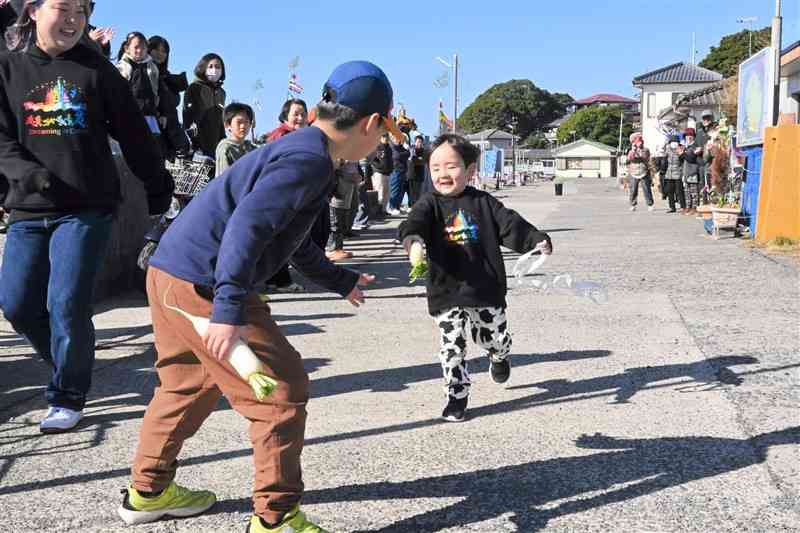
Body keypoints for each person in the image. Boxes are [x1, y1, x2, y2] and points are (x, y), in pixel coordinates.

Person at [117, 60, 403, 533]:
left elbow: (286, 234)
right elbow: (246, 229)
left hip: (171, 272)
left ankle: (148, 491)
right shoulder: (310, 160)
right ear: (371, 124)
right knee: (280, 394)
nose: (380, 142)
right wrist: (228, 311)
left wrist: (336, 278)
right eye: (383, 131)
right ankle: (276, 519)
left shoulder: (304, 149)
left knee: (185, 386)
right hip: (206, 285)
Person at [0, 0, 173, 433]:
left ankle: (67, 394)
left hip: (87, 207)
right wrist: (28, 175)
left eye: (82, 10)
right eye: (64, 7)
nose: (74, 19)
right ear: (34, 11)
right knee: (17, 305)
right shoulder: (7, 68)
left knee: (67, 302)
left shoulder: (96, 70)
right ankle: (67, 360)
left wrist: (156, 184)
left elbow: (133, 131)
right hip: (27, 207)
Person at [398, 133, 552, 422]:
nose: (443, 174)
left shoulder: (484, 203)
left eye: (451, 167)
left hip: (484, 287)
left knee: (493, 338)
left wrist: (535, 239)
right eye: (436, 168)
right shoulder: (428, 203)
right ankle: (456, 395)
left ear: (470, 171)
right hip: (445, 288)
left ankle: (499, 355)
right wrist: (413, 240)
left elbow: (511, 225)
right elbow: (413, 223)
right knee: (451, 345)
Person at [262, 98, 309, 293]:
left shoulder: (299, 135)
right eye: (295, 114)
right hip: (280, 194)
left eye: (303, 114)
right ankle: (281, 280)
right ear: (285, 116)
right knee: (282, 237)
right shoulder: (281, 135)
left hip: (293, 193)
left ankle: (275, 278)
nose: (300, 118)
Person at [148, 35, 190, 160]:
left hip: (170, 130)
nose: (160, 54)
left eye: (164, 51)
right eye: (157, 50)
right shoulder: (145, 72)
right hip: (154, 128)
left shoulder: (167, 76)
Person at [116, 32, 162, 141]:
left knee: (149, 144)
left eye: (143, 48)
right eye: (136, 47)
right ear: (127, 48)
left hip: (149, 113)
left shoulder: (152, 67)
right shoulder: (123, 66)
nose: (139, 51)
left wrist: (158, 109)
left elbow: (157, 89)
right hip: (129, 114)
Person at [183, 53, 226, 158]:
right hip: (198, 145)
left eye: (218, 67)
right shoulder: (194, 88)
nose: (214, 70)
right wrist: (193, 142)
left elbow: (221, 121)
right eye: (210, 66)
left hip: (215, 145)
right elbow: (188, 118)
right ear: (203, 68)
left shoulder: (221, 92)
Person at [326, 159, 361, 261]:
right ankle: (333, 249)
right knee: (335, 220)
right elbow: (334, 166)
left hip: (347, 184)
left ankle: (338, 248)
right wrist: (342, 162)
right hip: (339, 185)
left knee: (342, 219)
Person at [215, 103, 257, 177]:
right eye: (239, 122)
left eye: (246, 122)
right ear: (227, 125)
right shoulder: (225, 148)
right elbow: (223, 179)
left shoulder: (253, 149)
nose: (243, 126)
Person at [626, 132, 654, 212]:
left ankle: (650, 204)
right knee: (633, 189)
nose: (639, 143)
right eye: (637, 141)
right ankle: (633, 204)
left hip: (643, 171)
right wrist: (633, 151)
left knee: (646, 189)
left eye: (640, 141)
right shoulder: (631, 150)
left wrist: (638, 152)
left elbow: (644, 158)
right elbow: (630, 159)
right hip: (633, 172)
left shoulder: (645, 150)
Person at [369, 132, 393, 217]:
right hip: (379, 173)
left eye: (386, 137)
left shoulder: (389, 148)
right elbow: (371, 159)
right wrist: (379, 166)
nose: (385, 138)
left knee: (387, 193)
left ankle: (383, 210)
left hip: (387, 173)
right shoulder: (377, 147)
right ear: (380, 137)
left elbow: (390, 160)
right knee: (380, 193)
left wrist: (391, 168)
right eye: (383, 137)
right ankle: (378, 212)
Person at [681, 127, 703, 215]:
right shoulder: (686, 147)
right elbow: (683, 160)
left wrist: (682, 154)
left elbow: (691, 158)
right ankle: (688, 207)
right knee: (687, 191)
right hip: (686, 172)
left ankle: (694, 207)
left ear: (694, 136)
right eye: (687, 135)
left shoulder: (695, 146)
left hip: (693, 172)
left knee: (694, 192)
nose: (689, 137)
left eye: (690, 135)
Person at [387, 134, 409, 215]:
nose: (398, 140)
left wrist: (404, 152)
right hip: (395, 170)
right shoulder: (392, 146)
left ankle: (397, 206)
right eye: (397, 138)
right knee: (395, 190)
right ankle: (392, 207)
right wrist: (404, 153)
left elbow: (408, 154)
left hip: (403, 170)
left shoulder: (401, 146)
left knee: (401, 191)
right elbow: (398, 155)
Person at [663, 135, 686, 213]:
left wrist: (680, 153)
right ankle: (672, 207)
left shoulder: (681, 149)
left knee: (679, 191)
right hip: (669, 172)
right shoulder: (668, 149)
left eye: (675, 142)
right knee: (670, 191)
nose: (674, 143)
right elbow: (664, 159)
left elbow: (683, 160)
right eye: (672, 142)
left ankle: (683, 206)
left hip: (678, 172)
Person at [408, 135, 427, 207]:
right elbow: (413, 160)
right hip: (412, 174)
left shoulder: (424, 151)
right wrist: (418, 159)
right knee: (411, 192)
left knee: (418, 192)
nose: (419, 143)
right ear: (415, 142)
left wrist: (417, 159)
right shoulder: (411, 149)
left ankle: (415, 206)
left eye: (421, 142)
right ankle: (411, 206)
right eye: (418, 142)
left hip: (420, 175)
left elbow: (423, 161)